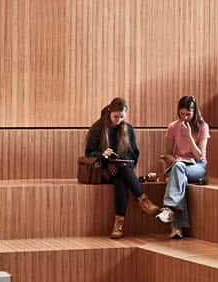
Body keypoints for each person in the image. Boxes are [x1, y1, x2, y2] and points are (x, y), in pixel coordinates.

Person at [85, 98, 159, 239]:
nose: (118, 120)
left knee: (121, 177)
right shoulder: (98, 128)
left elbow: (134, 154)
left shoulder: (128, 129)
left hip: (122, 169)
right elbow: (88, 153)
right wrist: (102, 154)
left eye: (121, 117)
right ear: (109, 113)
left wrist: (125, 162)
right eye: (115, 116)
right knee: (122, 171)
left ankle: (118, 224)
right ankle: (143, 200)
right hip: (104, 170)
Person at [155, 96, 210, 239]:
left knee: (178, 170)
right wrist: (177, 161)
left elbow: (200, 157)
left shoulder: (202, 126)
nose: (185, 117)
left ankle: (169, 208)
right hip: (179, 165)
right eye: (182, 114)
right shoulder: (173, 126)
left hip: (198, 167)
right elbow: (167, 154)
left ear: (194, 112)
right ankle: (177, 228)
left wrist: (189, 136)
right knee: (179, 175)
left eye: (188, 114)